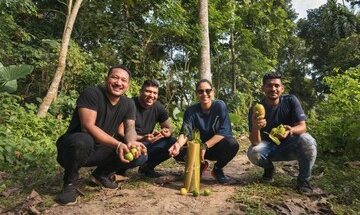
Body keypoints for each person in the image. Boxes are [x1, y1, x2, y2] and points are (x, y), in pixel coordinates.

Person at [55, 65, 147, 205]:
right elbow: (88, 127)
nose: (118, 83)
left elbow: (130, 129)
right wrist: (118, 144)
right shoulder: (92, 93)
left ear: (128, 85)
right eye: (114, 77)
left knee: (139, 154)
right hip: (73, 149)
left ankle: (100, 175)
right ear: (106, 79)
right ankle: (69, 184)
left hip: (99, 150)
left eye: (123, 80)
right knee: (83, 140)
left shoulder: (128, 104)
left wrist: (131, 143)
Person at [247, 71, 317, 195]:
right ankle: (269, 169)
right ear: (263, 88)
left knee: (307, 140)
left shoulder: (290, 101)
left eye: (276, 86)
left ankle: (303, 180)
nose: (273, 89)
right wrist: (256, 127)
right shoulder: (255, 109)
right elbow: (255, 142)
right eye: (269, 85)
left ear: (282, 88)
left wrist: (290, 131)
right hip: (268, 148)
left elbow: (302, 127)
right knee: (253, 152)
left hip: (289, 144)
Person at [168, 79, 239, 185]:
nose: (204, 94)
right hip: (196, 150)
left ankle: (217, 169)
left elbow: (223, 132)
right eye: (200, 91)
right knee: (173, 146)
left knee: (232, 144)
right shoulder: (191, 111)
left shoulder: (220, 106)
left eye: (208, 91)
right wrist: (178, 145)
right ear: (196, 93)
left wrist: (204, 146)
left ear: (213, 91)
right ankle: (200, 165)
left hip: (214, 148)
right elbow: (186, 132)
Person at [117, 79, 177, 177]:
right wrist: (142, 138)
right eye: (148, 91)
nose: (151, 95)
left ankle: (147, 167)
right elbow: (120, 132)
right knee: (140, 156)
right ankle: (119, 168)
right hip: (127, 143)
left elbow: (169, 128)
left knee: (172, 141)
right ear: (141, 91)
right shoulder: (129, 104)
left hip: (145, 143)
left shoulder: (158, 107)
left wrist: (166, 132)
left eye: (154, 93)